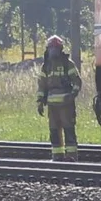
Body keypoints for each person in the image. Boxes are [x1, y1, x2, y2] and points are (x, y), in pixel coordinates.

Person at [37, 34, 82, 162]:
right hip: (52, 106)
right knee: (54, 131)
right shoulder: (46, 66)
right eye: (51, 48)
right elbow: (42, 85)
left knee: (68, 129)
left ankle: (71, 155)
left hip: (66, 104)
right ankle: (57, 155)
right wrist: (40, 102)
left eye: (55, 48)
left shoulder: (68, 64)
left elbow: (77, 82)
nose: (53, 51)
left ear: (60, 49)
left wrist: (72, 95)